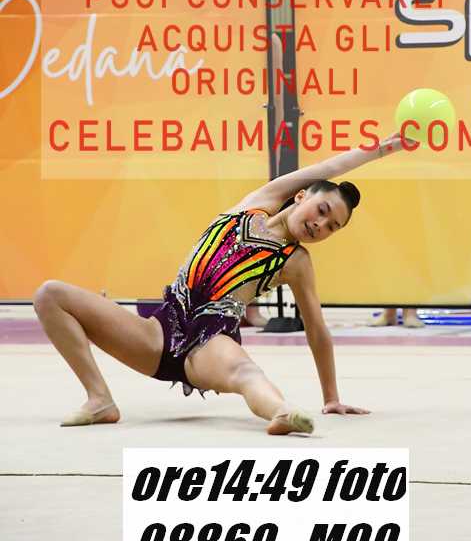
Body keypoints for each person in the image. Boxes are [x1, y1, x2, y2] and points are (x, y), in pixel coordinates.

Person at [33, 132, 408, 436]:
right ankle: (99, 399)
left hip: (210, 343)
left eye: (332, 227)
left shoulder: (295, 261)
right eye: (322, 211)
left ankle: (282, 411)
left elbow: (317, 330)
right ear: (300, 195)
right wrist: (384, 149)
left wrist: (331, 397)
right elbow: (329, 167)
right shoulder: (256, 203)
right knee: (50, 294)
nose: (320, 225)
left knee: (246, 374)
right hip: (159, 331)